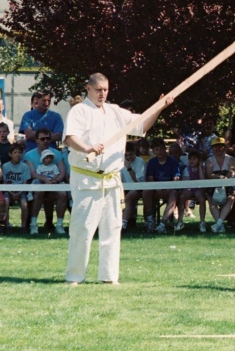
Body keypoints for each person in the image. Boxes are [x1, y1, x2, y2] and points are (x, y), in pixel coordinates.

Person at [64, 73, 172, 285]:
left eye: (105, 90)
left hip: (112, 180)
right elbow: (70, 138)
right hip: (87, 178)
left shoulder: (115, 111)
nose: (102, 94)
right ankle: (75, 276)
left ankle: (109, 276)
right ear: (88, 88)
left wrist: (159, 107)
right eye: (98, 90)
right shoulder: (79, 111)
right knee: (82, 228)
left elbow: (141, 126)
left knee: (112, 228)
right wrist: (87, 148)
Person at [24, 127, 68, 235]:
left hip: (54, 182)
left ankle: (59, 225)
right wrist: (45, 180)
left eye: (48, 138)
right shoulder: (29, 155)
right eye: (42, 139)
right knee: (39, 191)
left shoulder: (57, 154)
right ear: (36, 140)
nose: (46, 141)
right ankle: (33, 224)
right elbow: (33, 173)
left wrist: (55, 181)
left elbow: (62, 172)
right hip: (38, 183)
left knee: (63, 193)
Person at [143, 137, 182, 234]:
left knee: (174, 194)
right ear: (153, 151)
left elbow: (176, 179)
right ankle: (150, 221)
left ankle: (162, 224)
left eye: (161, 149)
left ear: (165, 149)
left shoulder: (173, 161)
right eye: (156, 149)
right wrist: (157, 188)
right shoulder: (152, 162)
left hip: (170, 189)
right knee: (146, 192)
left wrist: (167, 188)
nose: (159, 152)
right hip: (155, 189)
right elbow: (150, 179)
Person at [205, 136, 235, 233]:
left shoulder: (230, 159)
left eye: (220, 146)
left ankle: (218, 223)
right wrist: (219, 177)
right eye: (215, 146)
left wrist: (225, 179)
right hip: (214, 185)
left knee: (232, 197)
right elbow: (209, 174)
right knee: (210, 199)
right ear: (212, 148)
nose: (218, 149)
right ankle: (220, 226)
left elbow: (232, 172)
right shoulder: (209, 160)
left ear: (224, 147)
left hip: (228, 183)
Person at [2, 143, 30, 231]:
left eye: (19, 152)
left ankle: (23, 226)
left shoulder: (25, 166)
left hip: (21, 191)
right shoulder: (5, 166)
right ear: (10, 154)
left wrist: (19, 193)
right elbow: (5, 182)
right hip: (9, 190)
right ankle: (6, 225)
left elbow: (25, 183)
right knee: (6, 202)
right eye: (15, 152)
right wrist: (11, 193)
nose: (17, 154)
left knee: (24, 205)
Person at [121, 142, 147, 231]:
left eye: (131, 154)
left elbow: (137, 181)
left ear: (135, 152)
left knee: (128, 198)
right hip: (125, 188)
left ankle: (123, 223)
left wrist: (129, 168)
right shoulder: (120, 162)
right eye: (126, 155)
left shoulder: (140, 162)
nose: (128, 157)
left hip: (139, 188)